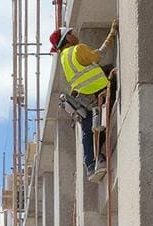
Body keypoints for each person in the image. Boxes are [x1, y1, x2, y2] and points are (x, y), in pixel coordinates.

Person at [50, 21, 118, 182]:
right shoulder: (77, 49)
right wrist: (111, 34)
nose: (75, 36)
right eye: (71, 34)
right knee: (111, 73)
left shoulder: (63, 58)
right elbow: (97, 56)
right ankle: (98, 154)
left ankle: (91, 164)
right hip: (98, 89)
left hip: (82, 96)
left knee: (88, 127)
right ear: (67, 39)